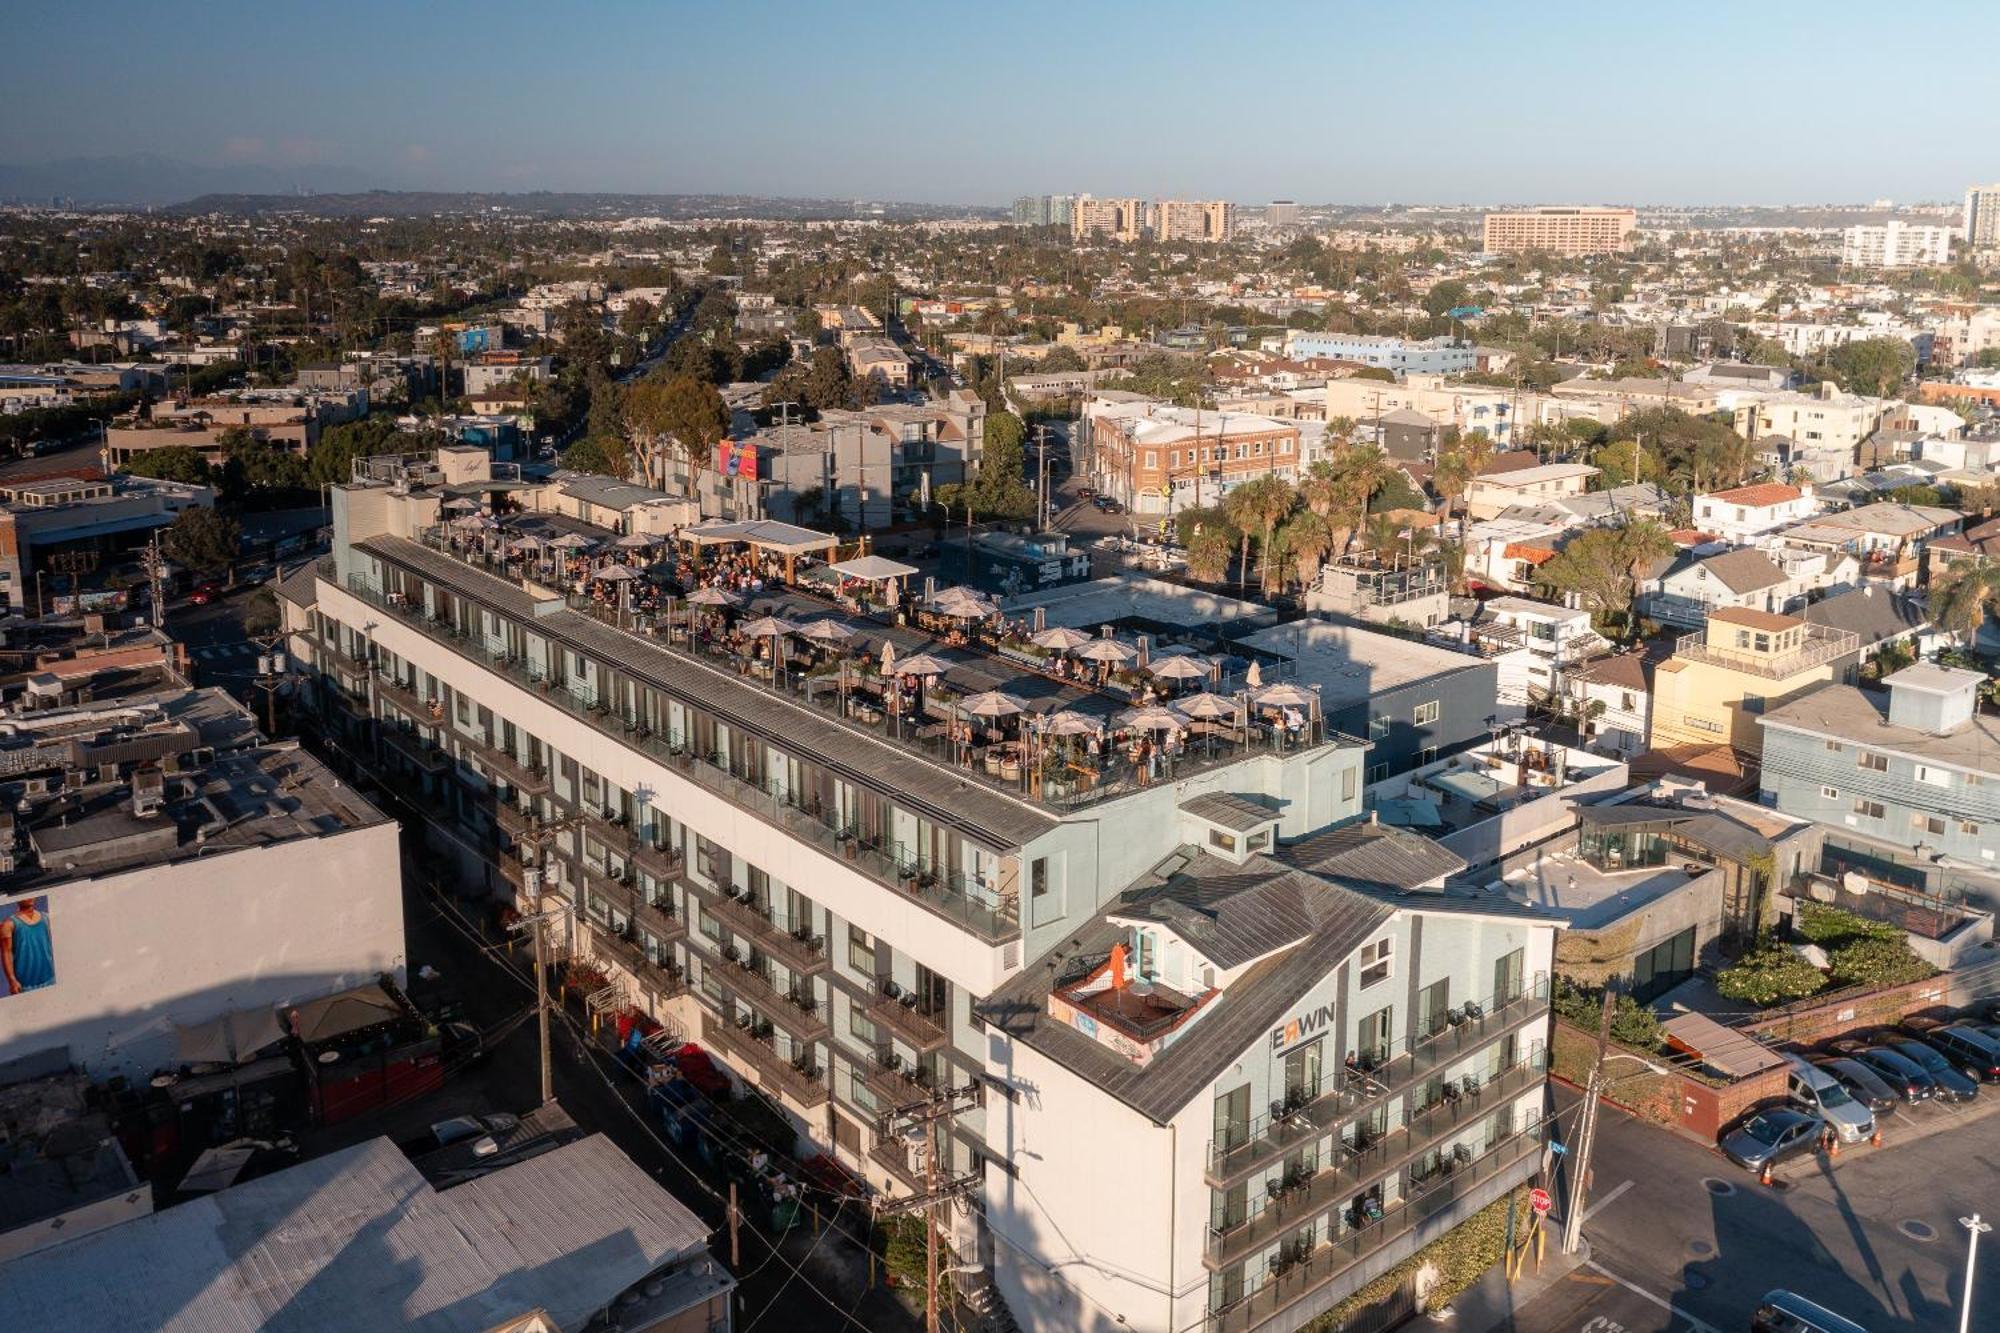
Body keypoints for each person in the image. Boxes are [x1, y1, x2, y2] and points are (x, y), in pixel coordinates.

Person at [2, 897, 54, 995]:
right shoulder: (8, 924)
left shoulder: (46, 917)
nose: (29, 897)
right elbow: (6, 953)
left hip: (50, 979)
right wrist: (11, 980)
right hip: (24, 986)